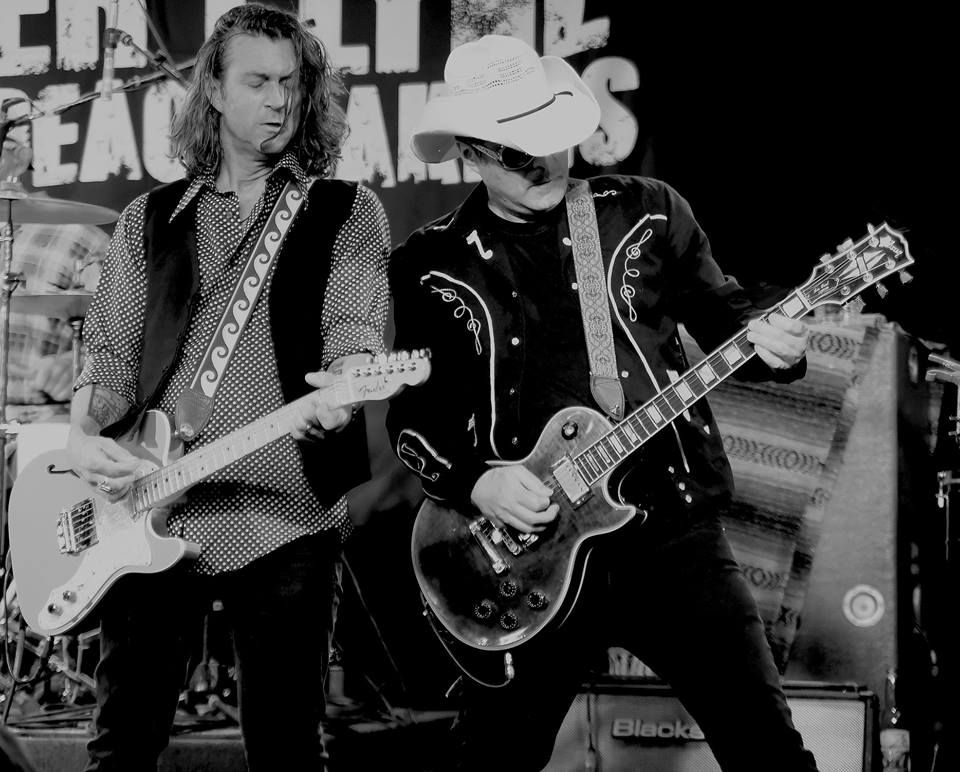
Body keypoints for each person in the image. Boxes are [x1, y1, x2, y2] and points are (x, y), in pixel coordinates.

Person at [386, 35, 818, 772]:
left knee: (767, 751)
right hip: (526, 556)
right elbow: (412, 423)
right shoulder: (430, 262)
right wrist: (477, 482)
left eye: (552, 140)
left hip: (672, 535)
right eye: (517, 152)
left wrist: (776, 343)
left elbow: (730, 319)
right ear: (471, 152)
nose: (545, 164)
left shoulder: (647, 211)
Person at [66, 5, 389, 770]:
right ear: (212, 88)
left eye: (291, 83)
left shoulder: (344, 211)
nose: (279, 100)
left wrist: (343, 388)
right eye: (258, 82)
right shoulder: (150, 219)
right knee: (121, 743)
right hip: (152, 506)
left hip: (284, 516)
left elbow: (353, 336)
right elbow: (108, 366)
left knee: (286, 750)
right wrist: (81, 440)